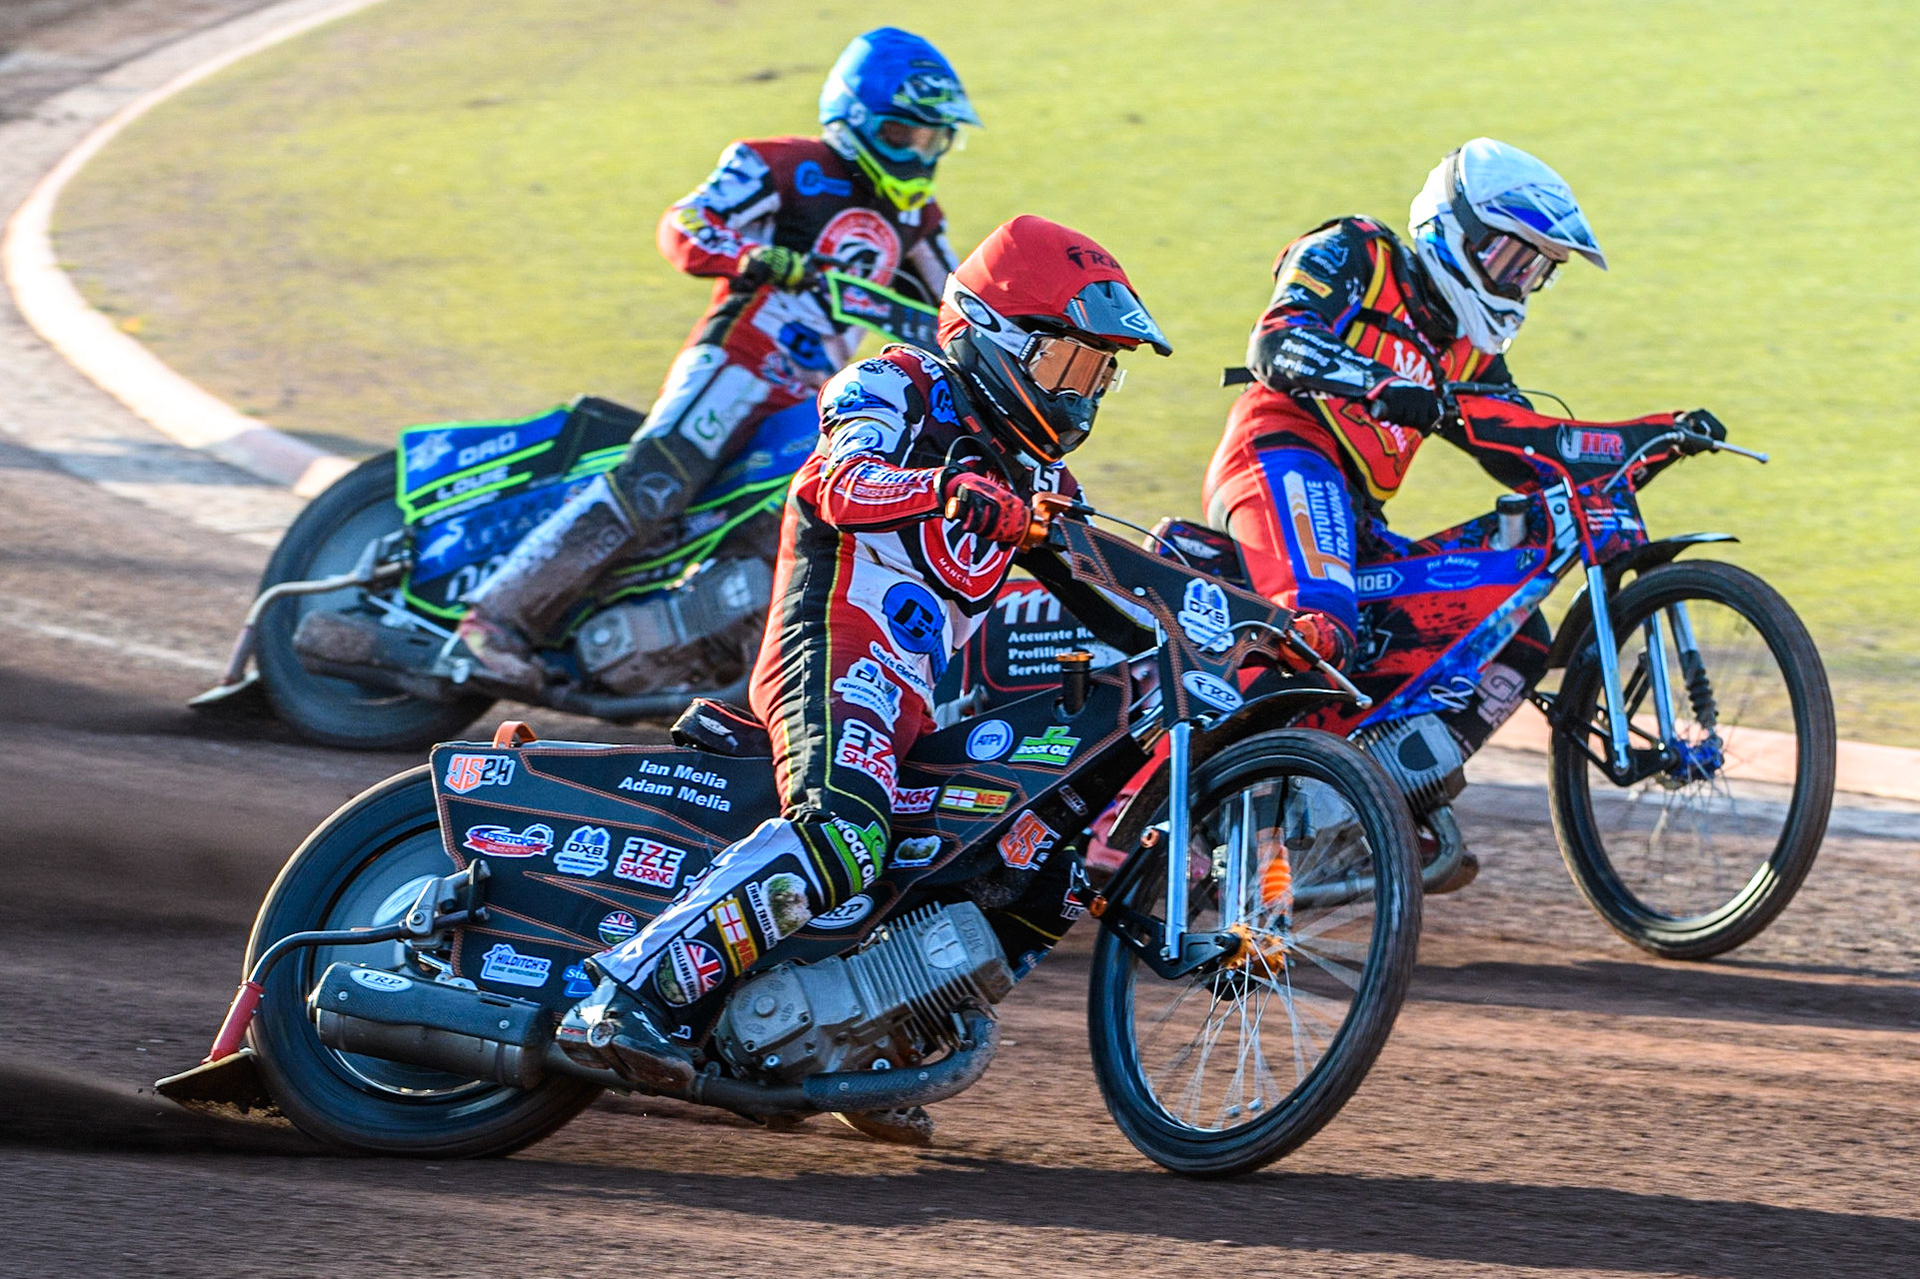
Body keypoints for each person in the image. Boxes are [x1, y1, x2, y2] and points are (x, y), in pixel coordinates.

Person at [556, 214, 1171, 1093]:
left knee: (1038, 865)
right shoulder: (894, 381)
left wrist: (1216, 620)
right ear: (998, 335)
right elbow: (835, 482)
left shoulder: (1045, 483)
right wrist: (947, 489)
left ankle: (862, 1034)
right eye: (1069, 364)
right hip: (835, 648)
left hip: (928, 699)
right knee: (844, 830)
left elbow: (1115, 600)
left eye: (1100, 374)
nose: (1083, 396)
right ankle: (625, 995)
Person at [452, 28, 981, 691]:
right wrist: (751, 256)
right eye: (907, 135)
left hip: (809, 405)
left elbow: (958, 314)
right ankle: (493, 622)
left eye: (935, 140)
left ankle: (656, 667)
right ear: (858, 119)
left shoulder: (918, 223)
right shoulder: (783, 164)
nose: (921, 154)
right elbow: (686, 223)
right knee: (656, 482)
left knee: (785, 536)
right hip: (733, 365)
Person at [1202, 137, 1606, 708]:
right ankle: (1215, 772)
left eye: (1536, 271)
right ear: (1456, 229)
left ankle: (1399, 787)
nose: (1519, 285)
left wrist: (1644, 443)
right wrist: (1382, 383)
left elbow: (1525, 446)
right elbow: (1276, 340)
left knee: (1515, 635)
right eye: (1511, 261)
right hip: (1280, 453)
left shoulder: (1471, 352)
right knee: (1320, 630)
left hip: (1359, 514)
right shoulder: (1359, 251)